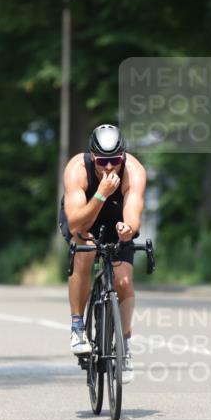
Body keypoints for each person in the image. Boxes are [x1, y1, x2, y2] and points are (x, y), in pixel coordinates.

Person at [58, 124, 146, 385]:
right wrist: (100, 194)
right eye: (103, 161)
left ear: (123, 157)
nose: (109, 168)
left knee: (124, 281)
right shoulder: (77, 169)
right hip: (84, 217)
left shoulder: (134, 171)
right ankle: (77, 327)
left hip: (116, 219)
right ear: (92, 156)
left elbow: (133, 217)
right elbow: (76, 224)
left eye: (115, 161)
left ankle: (125, 344)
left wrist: (126, 229)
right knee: (85, 252)